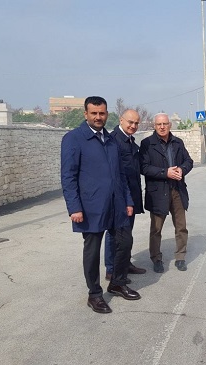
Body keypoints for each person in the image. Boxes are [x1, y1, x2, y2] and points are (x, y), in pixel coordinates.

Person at [61, 96, 141, 314]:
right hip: (90, 206)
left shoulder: (112, 140)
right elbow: (68, 176)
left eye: (102, 113)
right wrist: (74, 207)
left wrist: (128, 201)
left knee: (124, 243)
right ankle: (94, 294)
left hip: (117, 204)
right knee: (93, 251)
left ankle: (117, 282)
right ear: (85, 114)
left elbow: (121, 174)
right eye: (94, 113)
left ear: (107, 114)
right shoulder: (74, 139)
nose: (98, 117)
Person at [139, 113, 194, 273]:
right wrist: (165, 172)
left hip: (177, 190)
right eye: (158, 124)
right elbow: (143, 167)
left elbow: (188, 161)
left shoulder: (178, 143)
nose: (162, 127)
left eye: (165, 124)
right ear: (154, 126)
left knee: (181, 226)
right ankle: (156, 259)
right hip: (157, 193)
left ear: (170, 125)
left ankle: (180, 257)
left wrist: (181, 170)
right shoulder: (147, 144)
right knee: (156, 229)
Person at [103, 109, 147, 282]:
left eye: (136, 123)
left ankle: (125, 264)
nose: (133, 126)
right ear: (121, 120)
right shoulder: (114, 141)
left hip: (132, 195)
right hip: (119, 196)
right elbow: (114, 174)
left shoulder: (129, 140)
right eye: (130, 122)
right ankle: (112, 269)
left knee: (126, 233)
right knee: (115, 234)